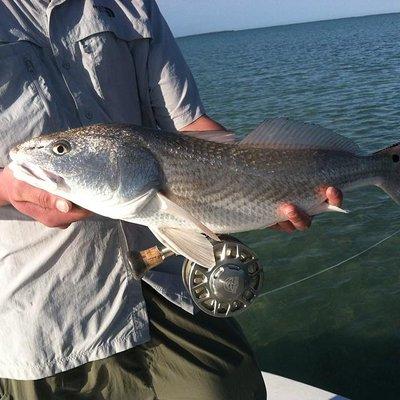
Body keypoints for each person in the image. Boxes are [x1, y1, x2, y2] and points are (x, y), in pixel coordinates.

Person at [0, 1, 342, 399]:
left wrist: (258, 187)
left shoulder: (130, 5)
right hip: (43, 306)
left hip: (168, 277)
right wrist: (9, 189)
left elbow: (190, 125)